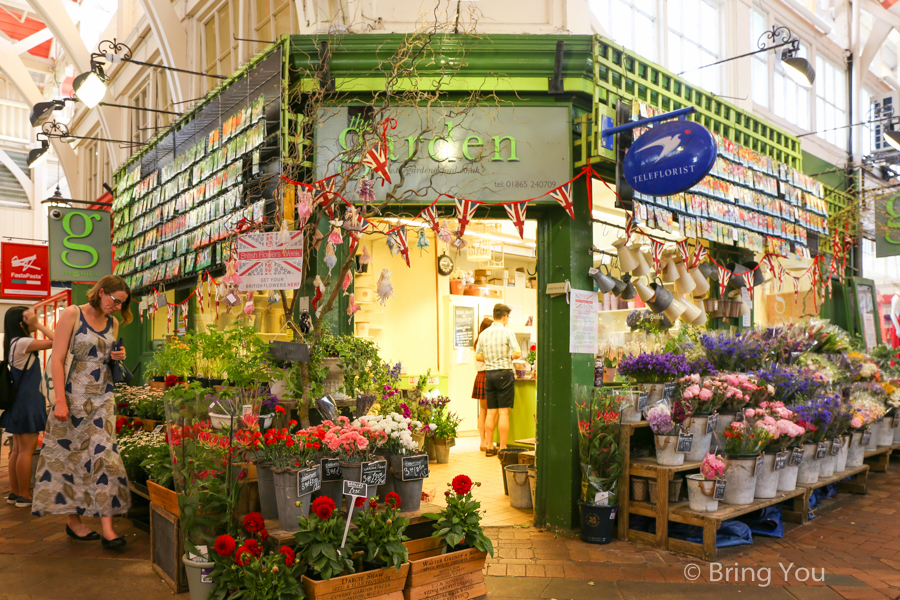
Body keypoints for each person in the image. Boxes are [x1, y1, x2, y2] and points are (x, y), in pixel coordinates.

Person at [32, 275, 132, 549]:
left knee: (106, 459)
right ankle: (74, 522)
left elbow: (103, 354)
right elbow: (59, 358)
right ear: (101, 292)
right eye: (116, 300)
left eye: (122, 303)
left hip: (103, 398)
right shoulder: (72, 314)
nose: (117, 307)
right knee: (71, 459)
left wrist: (117, 356)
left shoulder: (113, 322)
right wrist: (60, 401)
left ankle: (108, 529)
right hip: (72, 398)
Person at [2, 307, 55, 508]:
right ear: (21, 322)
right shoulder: (23, 342)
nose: (35, 319)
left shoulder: (13, 342)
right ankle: (25, 494)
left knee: (18, 449)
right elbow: (59, 340)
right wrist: (38, 325)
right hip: (28, 402)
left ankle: (15, 493)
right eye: (30, 317)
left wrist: (33, 323)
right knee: (26, 450)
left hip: (19, 402)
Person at [475, 304, 521, 455]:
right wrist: (509, 356)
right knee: (503, 413)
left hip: (489, 375)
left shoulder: (483, 334)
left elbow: (478, 356)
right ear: (505, 316)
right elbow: (518, 353)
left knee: (490, 412)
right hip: (504, 374)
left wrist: (490, 357)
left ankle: (489, 446)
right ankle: (502, 447)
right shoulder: (507, 332)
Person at [471, 317, 493, 453]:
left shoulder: (477, 342)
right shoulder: (486, 343)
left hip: (480, 376)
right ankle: (488, 441)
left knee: (483, 410)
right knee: (490, 411)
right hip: (487, 375)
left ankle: (482, 441)